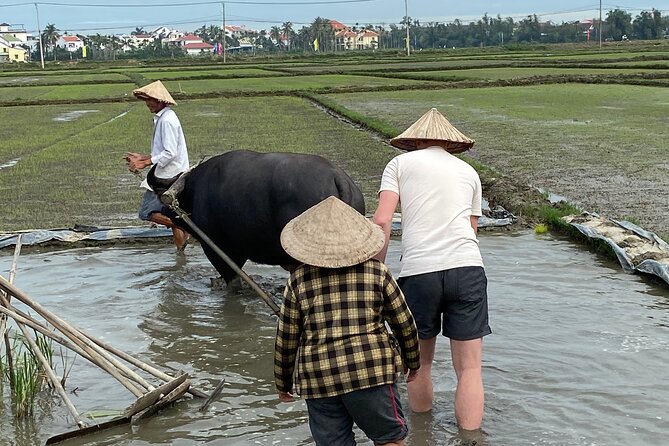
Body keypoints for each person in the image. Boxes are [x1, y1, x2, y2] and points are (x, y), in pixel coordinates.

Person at [372, 108, 491, 431]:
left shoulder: (398, 165)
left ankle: (422, 435)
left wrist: (376, 271)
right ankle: (470, 439)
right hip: (466, 268)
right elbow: (472, 229)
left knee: (419, 364)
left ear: (417, 140)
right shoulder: (468, 172)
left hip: (419, 272)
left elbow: (382, 220)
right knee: (469, 369)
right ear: (450, 144)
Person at [274, 196, 421, 446]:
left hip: (319, 379)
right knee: (390, 440)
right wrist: (412, 361)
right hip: (371, 372)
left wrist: (283, 382)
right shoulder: (377, 272)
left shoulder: (298, 280)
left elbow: (286, 339)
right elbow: (404, 323)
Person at [125, 80, 190, 252]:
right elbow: (163, 151)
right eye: (146, 100)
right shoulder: (164, 118)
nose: (147, 104)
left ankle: (186, 227)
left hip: (167, 176)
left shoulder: (167, 121)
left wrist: (144, 162)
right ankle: (180, 256)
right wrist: (143, 156)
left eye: (150, 100)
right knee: (171, 214)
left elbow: (169, 153)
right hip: (170, 172)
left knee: (147, 212)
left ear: (161, 100)